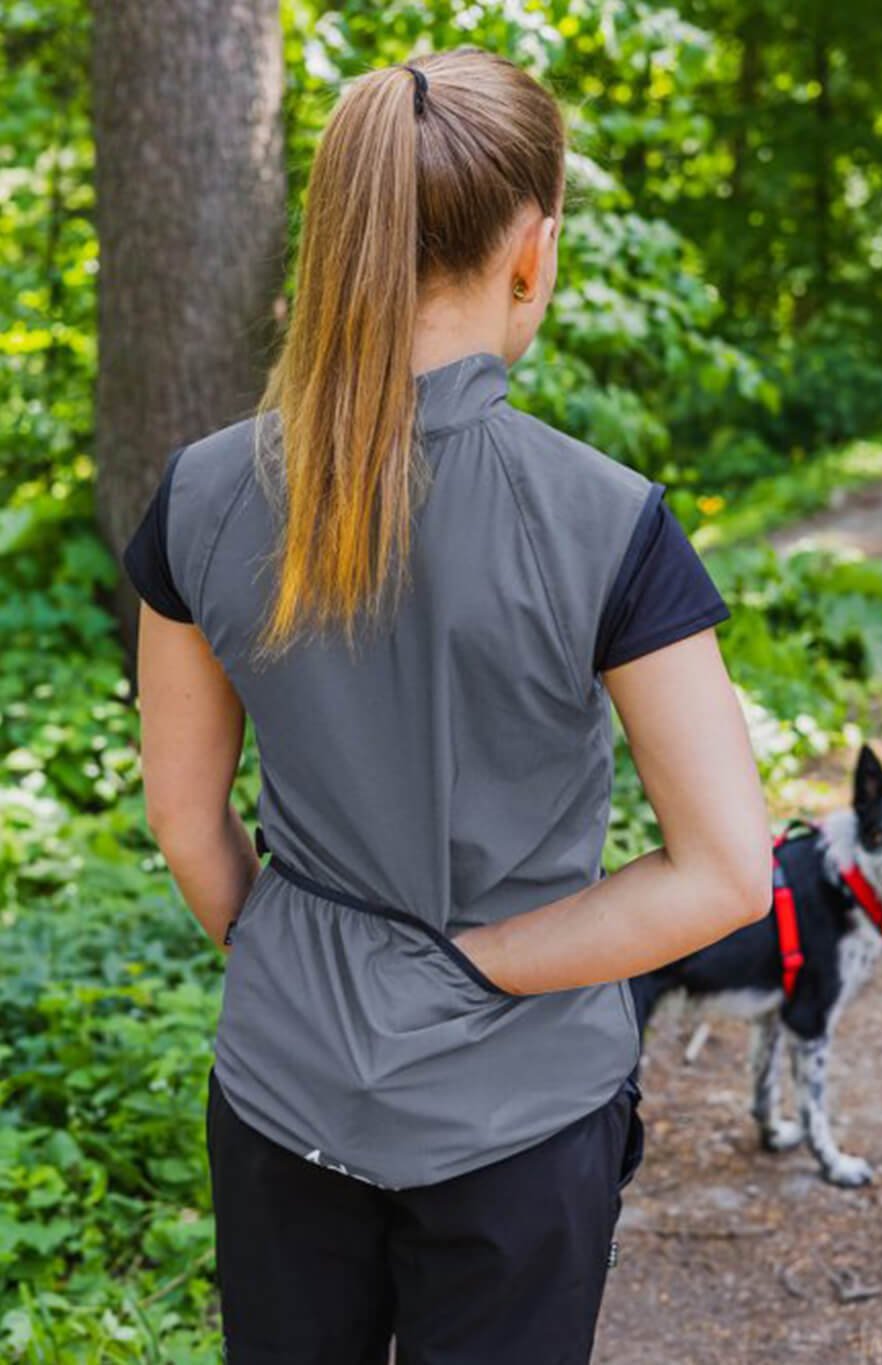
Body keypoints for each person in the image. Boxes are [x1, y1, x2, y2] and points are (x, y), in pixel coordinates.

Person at [121, 44, 772, 1365]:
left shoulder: (200, 493)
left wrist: (307, 966)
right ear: (531, 253)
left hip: (280, 1083)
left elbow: (189, 823)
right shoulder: (608, 523)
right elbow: (727, 872)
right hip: (519, 1117)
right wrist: (477, 964)